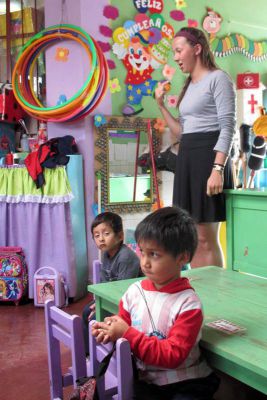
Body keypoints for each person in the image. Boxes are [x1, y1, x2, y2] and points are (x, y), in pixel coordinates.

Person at [92, 206, 220, 400]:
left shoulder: (188, 304)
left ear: (182, 257)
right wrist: (109, 329)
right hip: (147, 380)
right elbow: (122, 322)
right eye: (142, 252)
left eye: (154, 254)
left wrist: (126, 333)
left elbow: (173, 355)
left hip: (184, 384)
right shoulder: (133, 293)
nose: (144, 262)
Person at [155, 27, 236, 268]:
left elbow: (228, 127)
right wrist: (161, 106)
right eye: (174, 52)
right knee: (191, 237)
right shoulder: (190, 85)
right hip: (188, 159)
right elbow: (182, 132)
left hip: (209, 159)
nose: (176, 57)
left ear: (197, 48)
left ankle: (214, 296)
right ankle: (200, 291)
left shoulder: (218, 78)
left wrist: (218, 169)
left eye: (179, 51)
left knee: (205, 238)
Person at [82, 211, 141, 355]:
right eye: (97, 235)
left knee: (96, 318)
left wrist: (101, 306)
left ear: (120, 236)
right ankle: (89, 354)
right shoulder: (106, 254)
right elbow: (103, 284)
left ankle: (108, 354)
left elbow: (124, 292)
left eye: (106, 234)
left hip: (130, 303)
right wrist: (98, 302)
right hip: (112, 299)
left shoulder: (125, 257)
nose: (101, 239)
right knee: (86, 312)